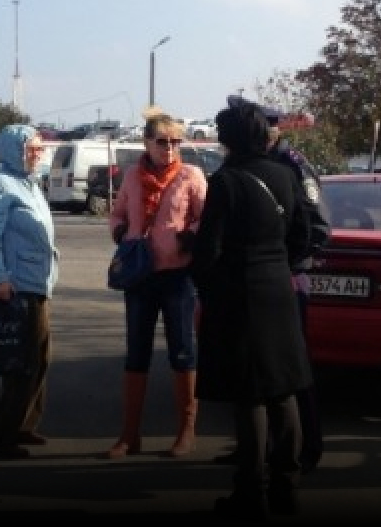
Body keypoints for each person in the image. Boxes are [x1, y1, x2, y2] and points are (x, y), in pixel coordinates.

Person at [191, 99, 313, 519]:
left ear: (230, 140)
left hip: (239, 294)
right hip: (279, 289)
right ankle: (287, 489)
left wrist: (209, 289)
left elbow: (207, 250)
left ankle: (251, 494)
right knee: (283, 389)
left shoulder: (226, 182)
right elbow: (303, 234)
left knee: (249, 395)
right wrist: (279, 265)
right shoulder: (285, 174)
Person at [215, 98, 332, 473]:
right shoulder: (243, 165)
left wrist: (281, 264)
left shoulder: (290, 165)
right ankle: (256, 451)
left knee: (286, 374)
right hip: (262, 282)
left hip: (285, 281)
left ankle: (304, 450)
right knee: (256, 377)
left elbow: (316, 227)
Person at [104, 113, 206, 459]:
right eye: (162, 142)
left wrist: (188, 237)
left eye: (176, 142)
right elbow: (117, 213)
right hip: (140, 276)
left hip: (178, 276)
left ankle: (186, 431)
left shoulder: (191, 175)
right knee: (137, 352)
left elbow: (206, 216)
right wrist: (122, 233)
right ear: (147, 143)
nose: (170, 148)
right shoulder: (133, 176)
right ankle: (130, 434)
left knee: (182, 351)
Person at [0, 124, 59, 459]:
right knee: (21, 364)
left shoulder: (29, 183)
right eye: (31, 149)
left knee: (39, 359)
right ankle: (1, 436)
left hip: (38, 281)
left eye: (39, 149)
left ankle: (25, 423)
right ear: (14, 150)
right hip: (17, 283)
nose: (37, 154)